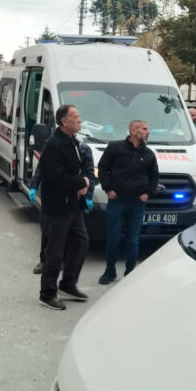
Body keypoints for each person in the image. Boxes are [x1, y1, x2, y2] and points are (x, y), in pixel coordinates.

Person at [38, 105, 90, 310]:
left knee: (81, 243)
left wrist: (84, 181)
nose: (80, 120)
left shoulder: (72, 142)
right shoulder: (54, 145)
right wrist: (81, 183)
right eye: (75, 117)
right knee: (55, 252)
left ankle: (68, 284)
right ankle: (47, 293)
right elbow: (57, 178)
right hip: (57, 207)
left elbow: (81, 167)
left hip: (72, 205)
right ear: (63, 121)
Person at [97, 120, 159, 284]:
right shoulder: (115, 148)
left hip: (137, 203)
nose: (148, 131)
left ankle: (130, 274)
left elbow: (154, 177)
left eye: (148, 128)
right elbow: (102, 168)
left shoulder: (149, 154)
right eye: (144, 129)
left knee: (133, 240)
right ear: (133, 131)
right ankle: (110, 272)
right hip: (117, 201)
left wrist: (148, 193)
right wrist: (108, 189)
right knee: (114, 238)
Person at [30, 142, 96, 274]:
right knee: (47, 230)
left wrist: (88, 195)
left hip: (73, 195)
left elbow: (89, 173)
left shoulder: (83, 149)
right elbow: (41, 168)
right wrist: (34, 185)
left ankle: (65, 262)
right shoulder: (52, 145)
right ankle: (44, 261)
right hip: (52, 197)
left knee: (71, 232)